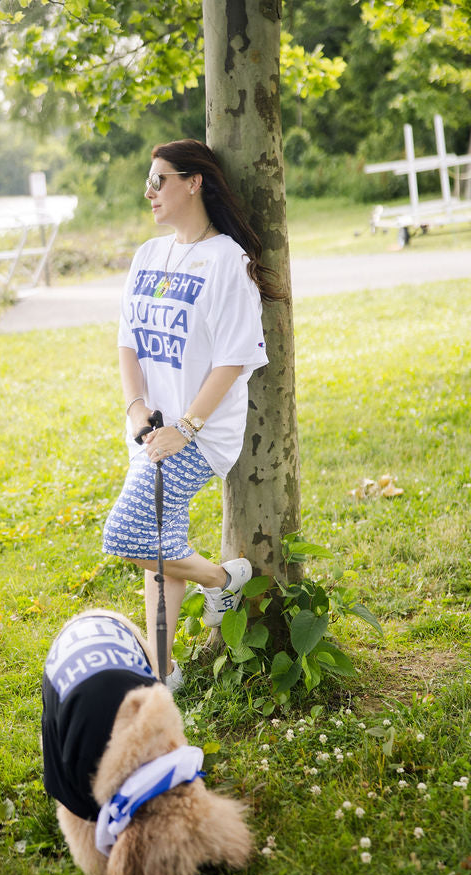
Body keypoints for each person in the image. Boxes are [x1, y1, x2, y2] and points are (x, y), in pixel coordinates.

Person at [103, 139, 280, 691]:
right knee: (157, 549)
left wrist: (186, 427)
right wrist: (136, 408)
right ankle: (161, 673)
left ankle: (225, 578)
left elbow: (234, 356)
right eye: (148, 182)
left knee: (128, 534)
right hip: (150, 431)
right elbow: (128, 343)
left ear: (194, 182)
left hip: (199, 432)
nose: (149, 191)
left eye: (160, 180)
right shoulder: (148, 255)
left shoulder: (228, 258)